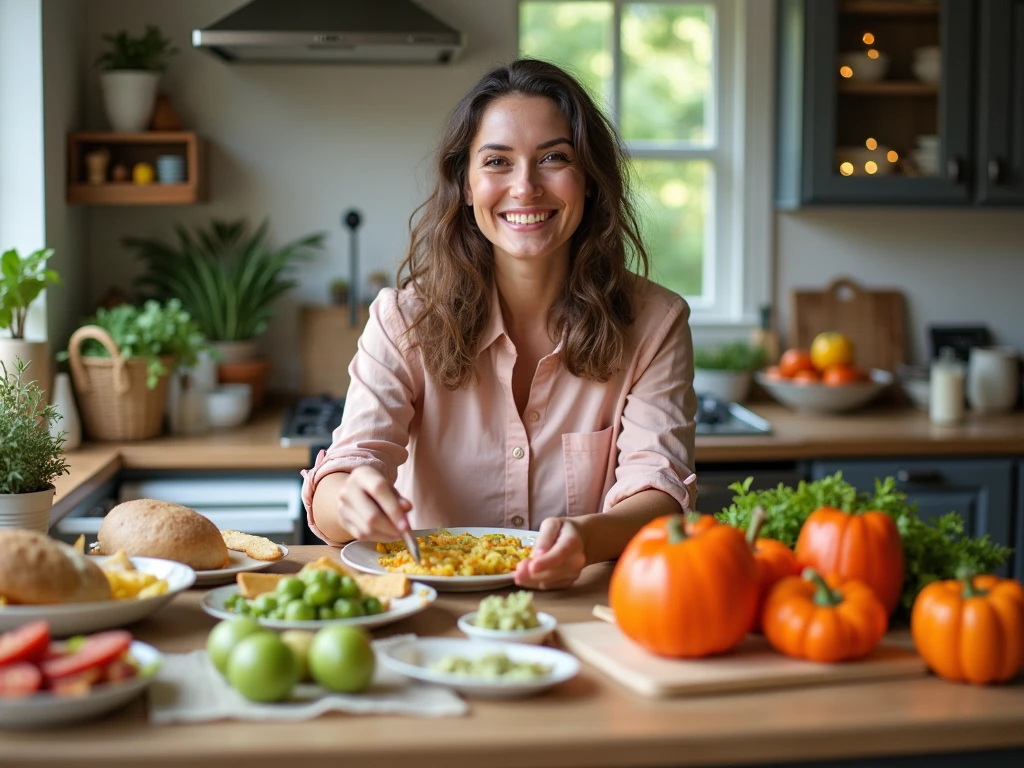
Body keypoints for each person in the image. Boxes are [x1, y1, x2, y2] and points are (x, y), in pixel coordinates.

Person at [303, 58, 696, 590]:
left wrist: (588, 539)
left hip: (587, 612)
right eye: (497, 162)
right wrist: (350, 500)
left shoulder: (655, 322)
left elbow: (660, 493)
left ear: (589, 180)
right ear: (465, 185)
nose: (526, 187)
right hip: (429, 613)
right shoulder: (402, 319)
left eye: (554, 158)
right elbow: (344, 476)